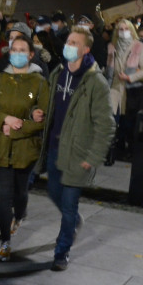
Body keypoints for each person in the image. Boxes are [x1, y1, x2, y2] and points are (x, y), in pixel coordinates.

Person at [38, 26, 113, 271]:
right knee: (52, 191)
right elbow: (48, 107)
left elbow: (106, 125)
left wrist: (93, 157)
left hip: (78, 153)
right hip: (54, 148)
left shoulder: (95, 82)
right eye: (68, 41)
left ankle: (62, 251)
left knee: (69, 206)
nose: (68, 45)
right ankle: (74, 223)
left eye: (74, 42)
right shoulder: (58, 73)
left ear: (86, 49)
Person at [0, 35, 49, 261]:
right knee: (4, 195)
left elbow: (41, 118)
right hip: (1, 147)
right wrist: (5, 119)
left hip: (26, 149)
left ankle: (20, 214)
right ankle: (5, 240)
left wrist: (15, 128)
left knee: (20, 191)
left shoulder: (39, 82)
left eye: (23, 50)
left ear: (31, 54)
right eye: (14, 49)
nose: (18, 53)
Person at [105, 19, 143, 163]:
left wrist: (130, 77)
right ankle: (112, 151)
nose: (123, 31)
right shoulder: (112, 46)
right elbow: (109, 70)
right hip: (115, 88)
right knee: (112, 121)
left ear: (131, 30)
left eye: (126, 28)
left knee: (129, 122)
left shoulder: (138, 46)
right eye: (120, 29)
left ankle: (129, 150)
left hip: (131, 90)